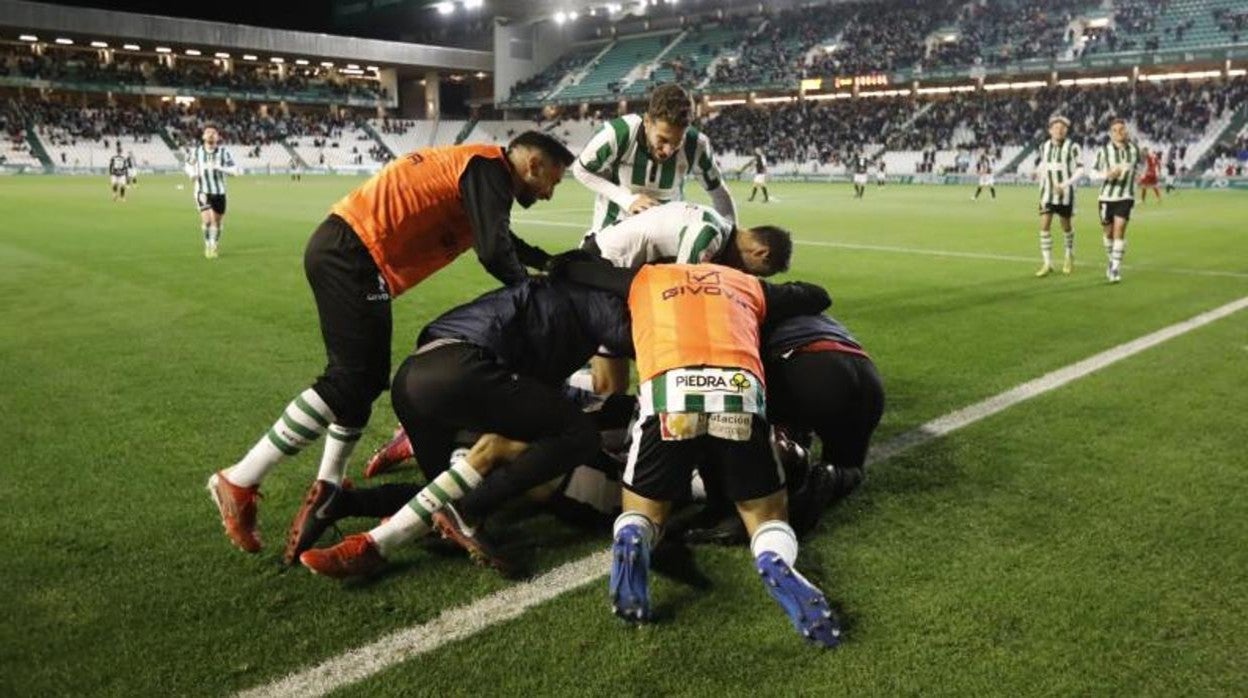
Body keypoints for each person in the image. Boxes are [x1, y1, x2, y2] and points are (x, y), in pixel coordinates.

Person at [206, 132, 574, 556]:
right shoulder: (488, 171)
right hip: (354, 253)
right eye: (553, 181)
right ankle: (240, 479)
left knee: (363, 381)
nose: (548, 193)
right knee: (348, 380)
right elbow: (494, 252)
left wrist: (546, 263)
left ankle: (328, 483)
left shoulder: (481, 175)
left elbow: (502, 244)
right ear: (533, 164)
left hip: (351, 250)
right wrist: (532, 292)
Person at [361, 200, 794, 473]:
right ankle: (658, 428)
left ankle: (448, 435)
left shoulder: (709, 220)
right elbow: (676, 293)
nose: (748, 276)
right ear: (761, 253)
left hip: (599, 272)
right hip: (600, 274)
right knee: (618, 368)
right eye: (760, 272)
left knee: (571, 376)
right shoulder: (710, 234)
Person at [556, 259, 839, 645]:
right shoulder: (745, 284)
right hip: (738, 392)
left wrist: (549, 264)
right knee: (767, 515)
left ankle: (634, 536)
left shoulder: (645, 278)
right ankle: (774, 558)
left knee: (642, 512)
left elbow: (576, 267)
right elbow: (817, 296)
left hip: (671, 393)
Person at [296, 272, 633, 576]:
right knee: (559, 439)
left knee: (448, 488)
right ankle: (388, 540)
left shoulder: (544, 292)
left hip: (416, 376)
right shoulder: (597, 310)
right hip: (465, 376)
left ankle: (344, 504)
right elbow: (607, 384)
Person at [684, 313, 885, 545]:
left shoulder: (728, 311)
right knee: (849, 467)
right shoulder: (782, 301)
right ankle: (830, 474)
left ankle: (725, 511)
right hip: (867, 377)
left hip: (804, 365)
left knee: (724, 423)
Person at [573, 83, 736, 233]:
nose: (668, 151)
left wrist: (731, 235)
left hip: (665, 237)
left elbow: (719, 193)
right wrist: (626, 199)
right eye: (663, 139)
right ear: (647, 121)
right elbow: (581, 169)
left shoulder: (697, 145)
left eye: (677, 142)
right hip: (612, 232)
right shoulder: (618, 134)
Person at [1033, 116, 1083, 277]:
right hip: (1047, 193)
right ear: (1050, 131)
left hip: (1065, 194)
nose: (1059, 130)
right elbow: (1044, 163)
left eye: (1062, 128)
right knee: (1044, 226)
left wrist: (1066, 184)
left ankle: (1069, 255)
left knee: (1066, 227)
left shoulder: (1073, 147)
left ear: (1066, 131)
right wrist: (1037, 172)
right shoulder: (1044, 146)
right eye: (1056, 128)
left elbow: (1081, 169)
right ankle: (1047, 263)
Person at [1093, 119, 1141, 284]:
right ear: (1111, 133)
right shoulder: (1104, 151)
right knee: (1108, 233)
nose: (1119, 132)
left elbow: (1140, 167)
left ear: (1126, 131)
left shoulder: (1134, 150)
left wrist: (1137, 177)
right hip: (1106, 197)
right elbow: (1092, 173)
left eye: (1122, 129)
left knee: (1119, 230)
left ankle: (1115, 268)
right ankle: (1111, 260)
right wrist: (1107, 175)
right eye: (1115, 130)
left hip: (1125, 197)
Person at [184, 125, 239, 259]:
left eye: (213, 133)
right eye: (208, 132)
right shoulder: (196, 152)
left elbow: (235, 171)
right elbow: (187, 165)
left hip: (219, 192)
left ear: (218, 137)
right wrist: (192, 174)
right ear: (203, 136)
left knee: (217, 222)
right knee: (208, 221)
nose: (210, 135)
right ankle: (208, 245)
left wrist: (220, 168)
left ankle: (214, 243)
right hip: (202, 191)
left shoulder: (224, 153)